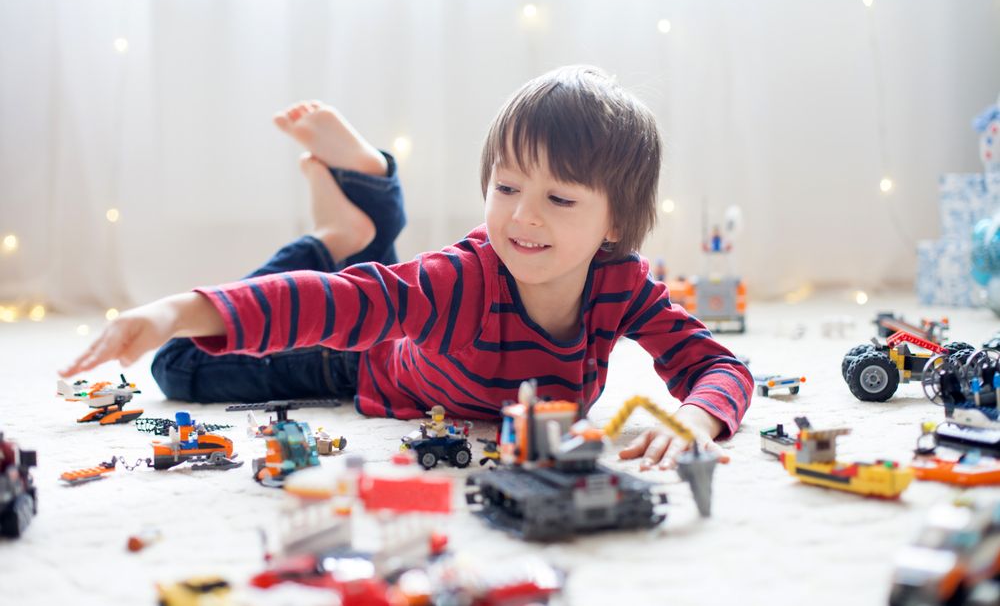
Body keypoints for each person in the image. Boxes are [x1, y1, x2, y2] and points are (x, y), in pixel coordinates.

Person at [59, 66, 753, 470]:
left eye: (559, 198)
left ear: (617, 226)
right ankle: (340, 230)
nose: (521, 217)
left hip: (411, 325)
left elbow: (721, 367)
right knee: (176, 366)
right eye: (506, 187)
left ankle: (362, 215)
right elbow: (330, 304)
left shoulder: (622, 285)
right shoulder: (464, 279)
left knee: (383, 279)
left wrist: (696, 419)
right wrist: (174, 311)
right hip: (366, 364)